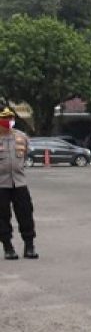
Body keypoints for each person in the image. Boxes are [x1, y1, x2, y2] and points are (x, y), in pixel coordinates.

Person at [0, 107, 37, 259]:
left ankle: (29, 246)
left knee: (26, 213)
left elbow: (27, 153)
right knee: (2, 216)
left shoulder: (21, 137)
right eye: (5, 118)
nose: (8, 121)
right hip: (1, 184)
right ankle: (8, 247)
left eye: (10, 118)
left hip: (19, 182)